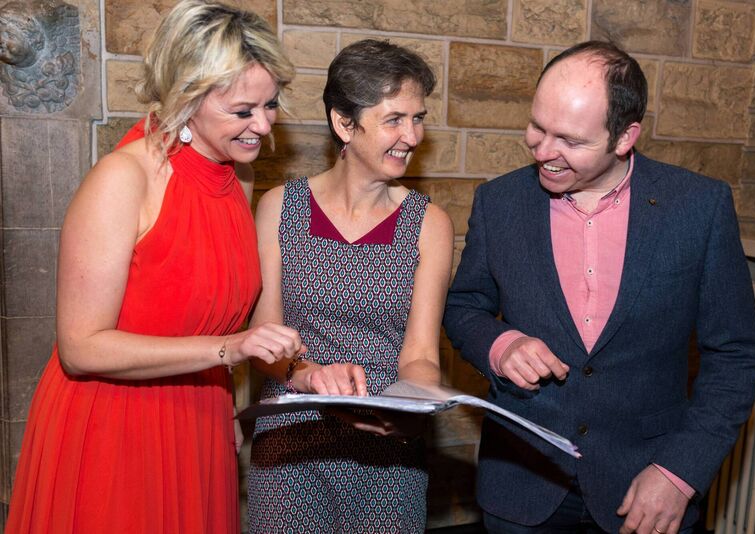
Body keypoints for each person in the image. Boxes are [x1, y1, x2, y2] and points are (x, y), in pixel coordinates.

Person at [443, 41, 755, 534]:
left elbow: (735, 356)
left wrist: (679, 474)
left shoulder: (699, 207)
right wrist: (501, 345)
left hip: (646, 489)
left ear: (624, 137)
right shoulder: (499, 202)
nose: (543, 152)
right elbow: (464, 306)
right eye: (537, 128)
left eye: (569, 140)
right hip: (522, 486)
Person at [6, 1, 301, 532]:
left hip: (199, 417)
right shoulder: (124, 179)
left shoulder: (238, 178)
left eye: (270, 104)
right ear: (187, 97)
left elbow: (217, 318)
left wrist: (229, 397)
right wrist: (230, 350)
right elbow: (81, 347)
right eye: (242, 110)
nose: (262, 124)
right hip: (113, 425)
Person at [247, 39, 454, 533]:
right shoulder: (280, 207)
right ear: (344, 123)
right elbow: (263, 335)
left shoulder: (430, 224)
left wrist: (418, 401)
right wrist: (306, 373)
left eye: (418, 117)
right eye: (395, 119)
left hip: (389, 450)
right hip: (292, 443)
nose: (412, 135)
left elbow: (421, 353)